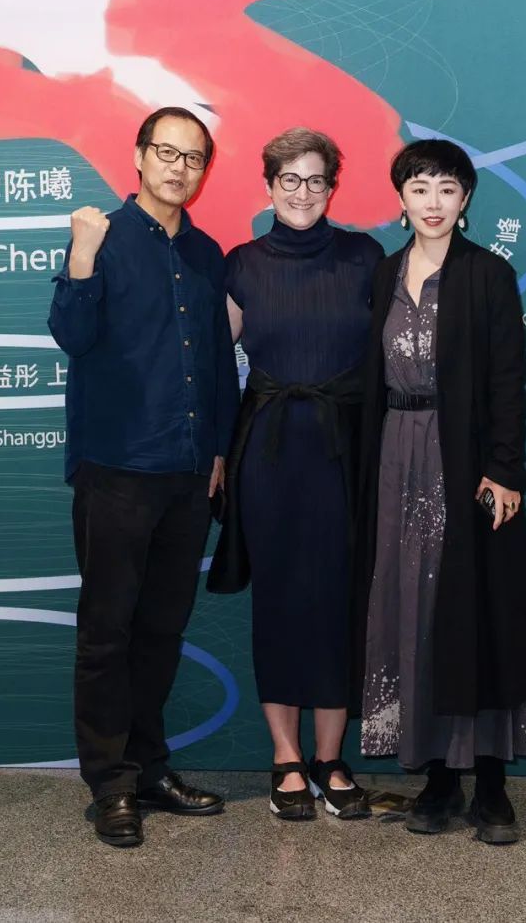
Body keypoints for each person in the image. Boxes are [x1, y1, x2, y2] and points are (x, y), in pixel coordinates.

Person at [47, 106, 240, 849]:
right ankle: (110, 784)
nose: (178, 168)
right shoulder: (102, 236)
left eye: (193, 158)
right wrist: (81, 255)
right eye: (167, 152)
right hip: (117, 469)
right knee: (108, 632)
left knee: (161, 631)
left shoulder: (207, 253)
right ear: (138, 155)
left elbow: (218, 362)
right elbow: (72, 335)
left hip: (188, 473)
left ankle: (150, 767)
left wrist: (218, 449)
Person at [355, 138, 526, 842]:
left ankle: (490, 784)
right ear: (401, 198)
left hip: (466, 463)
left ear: (465, 201)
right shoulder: (383, 274)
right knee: (412, 607)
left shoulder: (488, 274)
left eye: (447, 189)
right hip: (396, 457)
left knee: (475, 611)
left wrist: (505, 468)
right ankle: (437, 777)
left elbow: (509, 380)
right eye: (420, 188)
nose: (432, 202)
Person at [208, 129, 383, 820]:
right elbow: (211, 367)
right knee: (278, 600)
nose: (302, 192)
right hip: (268, 453)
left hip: (346, 451)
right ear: (269, 185)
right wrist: (214, 450)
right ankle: (285, 756)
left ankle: (330, 757)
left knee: (340, 597)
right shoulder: (242, 264)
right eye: (290, 179)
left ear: (332, 188)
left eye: (315, 180)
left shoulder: (364, 257)